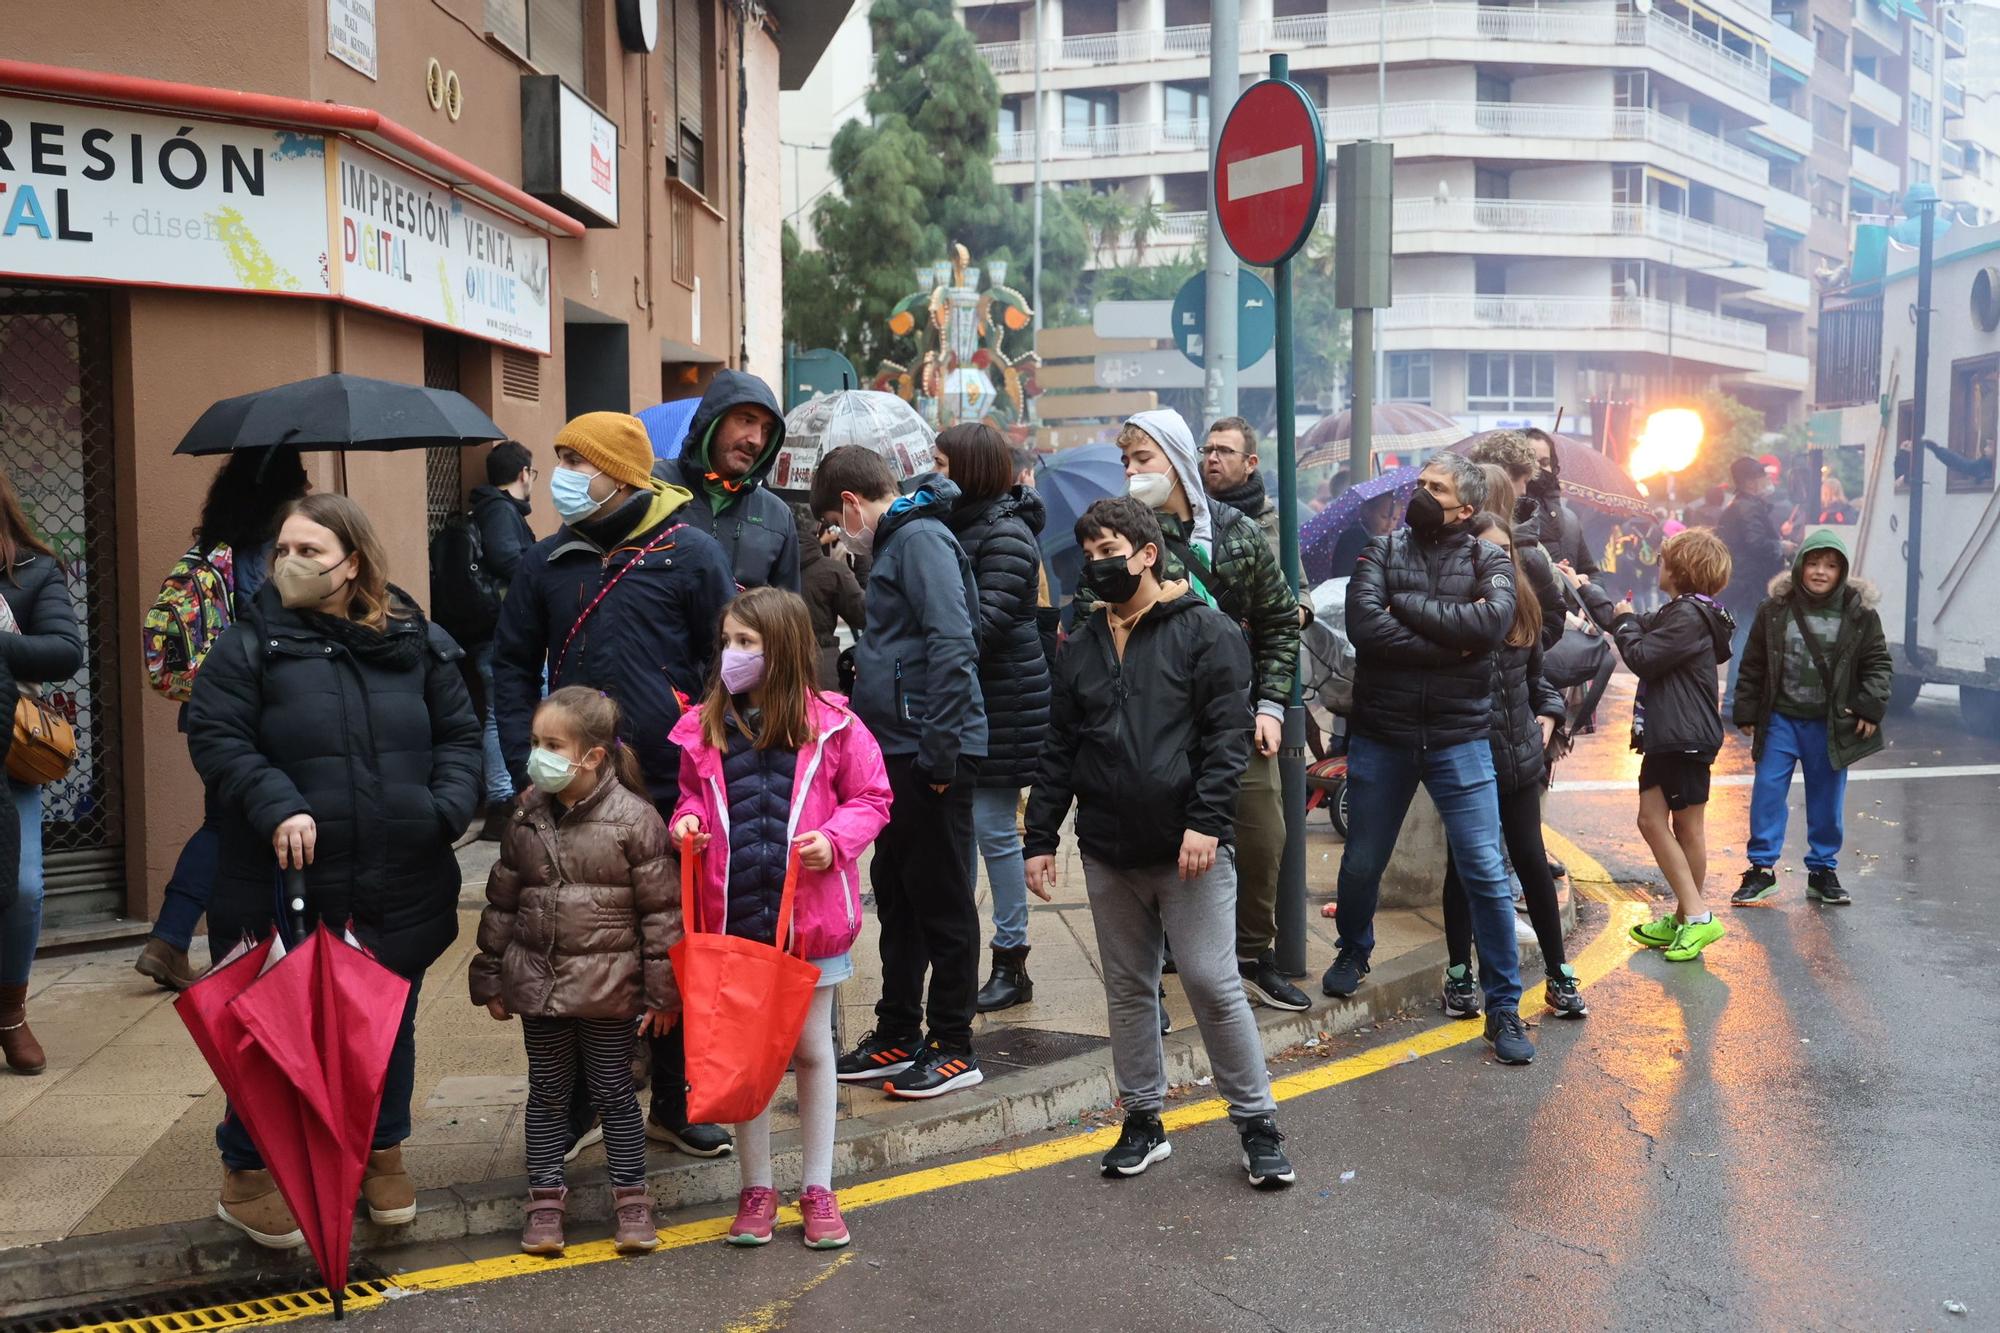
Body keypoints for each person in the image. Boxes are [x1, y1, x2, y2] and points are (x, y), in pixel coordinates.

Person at [188, 492, 482, 1247]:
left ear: (352, 563)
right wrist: (275, 801)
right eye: (283, 547)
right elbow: (218, 738)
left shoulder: (416, 638)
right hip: (282, 878)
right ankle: (247, 1172)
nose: (289, 561)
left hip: (398, 873)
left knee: (386, 1020)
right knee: (274, 1027)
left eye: (309, 550)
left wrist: (442, 808)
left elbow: (459, 732)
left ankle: (382, 1149)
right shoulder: (249, 642)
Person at [1025, 497, 1296, 1189]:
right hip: (1108, 846)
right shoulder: (1082, 641)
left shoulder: (1206, 632)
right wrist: (1040, 835)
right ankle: (1143, 1118)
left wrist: (1206, 823)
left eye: (1109, 548)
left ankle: (1257, 1122)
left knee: (1210, 979)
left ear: (1148, 552)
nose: (1097, 564)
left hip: (1189, 847)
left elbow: (1226, 741)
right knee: (1127, 987)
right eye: (1088, 553)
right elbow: (1059, 745)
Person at [491, 412, 737, 1158]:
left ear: (621, 473)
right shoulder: (544, 562)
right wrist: (522, 760)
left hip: (668, 783)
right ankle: (575, 1106)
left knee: (672, 942)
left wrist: (709, 755)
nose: (562, 471)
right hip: (570, 793)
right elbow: (510, 667)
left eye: (577, 459)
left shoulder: (689, 553)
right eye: (559, 456)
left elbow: (725, 665)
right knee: (572, 944)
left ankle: (675, 1096)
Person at [668, 587, 892, 1249]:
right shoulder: (707, 723)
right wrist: (689, 820)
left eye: (746, 643)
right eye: (727, 642)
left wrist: (838, 838)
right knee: (748, 1060)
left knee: (812, 1049)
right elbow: (691, 793)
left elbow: (873, 795)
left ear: (785, 649)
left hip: (810, 922)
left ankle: (818, 1186)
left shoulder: (837, 725)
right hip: (735, 918)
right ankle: (756, 1187)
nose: (731, 655)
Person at [1321, 454, 1537, 1066]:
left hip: (1459, 737)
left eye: (1435, 488)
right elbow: (1365, 627)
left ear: (1465, 508)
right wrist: (1453, 642)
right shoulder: (1382, 551)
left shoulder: (1488, 558)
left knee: (1486, 874)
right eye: (1420, 484)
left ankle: (1502, 1007)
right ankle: (1353, 948)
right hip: (1382, 735)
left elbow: (1492, 624)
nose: (1420, 493)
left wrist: (1405, 610)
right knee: (1363, 860)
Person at [1105, 410, 1311, 1012]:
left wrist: (1271, 704)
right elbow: (1095, 616)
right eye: (1126, 462)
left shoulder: (1236, 532)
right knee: (1155, 844)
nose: (1132, 472)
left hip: (1235, 718)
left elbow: (1278, 620)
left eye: (1142, 460)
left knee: (1260, 833)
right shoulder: (1121, 535)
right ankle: (1154, 978)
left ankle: (1252, 956)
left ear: (1174, 462)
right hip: (1153, 725)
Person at [471, 687, 677, 1257]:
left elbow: (662, 916)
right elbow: (503, 901)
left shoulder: (636, 820)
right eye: (536, 743)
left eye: (553, 745)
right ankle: (543, 1204)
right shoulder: (527, 816)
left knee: (615, 1092)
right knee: (547, 1095)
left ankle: (632, 1202)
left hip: (611, 991)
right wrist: (490, 972)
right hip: (538, 986)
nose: (539, 755)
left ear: (593, 756)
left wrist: (662, 995)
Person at [809, 447, 989, 1098]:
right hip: (896, 748)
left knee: (941, 897)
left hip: (928, 749)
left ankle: (952, 1043)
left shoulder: (919, 540)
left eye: (836, 522)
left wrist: (940, 752)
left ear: (852, 504)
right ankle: (897, 1029)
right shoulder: (898, 544)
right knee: (900, 890)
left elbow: (953, 643)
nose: (840, 535)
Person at [134, 447, 309, 993]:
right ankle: (173, 937)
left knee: (224, 819)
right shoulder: (266, 556)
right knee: (228, 823)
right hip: (250, 712)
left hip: (204, 711)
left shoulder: (210, 551)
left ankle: (172, 939)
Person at [1438, 512, 1585, 1023]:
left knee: (1529, 859)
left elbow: (1537, 678)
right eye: (1486, 549)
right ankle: (1459, 972)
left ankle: (1559, 973)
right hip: (1467, 759)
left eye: (1505, 550)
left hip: (1520, 755)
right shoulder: (1451, 608)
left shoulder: (1521, 603)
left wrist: (1550, 711)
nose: (1497, 559)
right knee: (1465, 866)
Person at [1567, 528, 1735, 962]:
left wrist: (1623, 621)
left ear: (1681, 569)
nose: (1657, 566)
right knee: (1659, 822)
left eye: (1663, 561)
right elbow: (1630, 623)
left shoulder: (1688, 617)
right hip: (1672, 732)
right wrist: (1585, 587)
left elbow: (1640, 653)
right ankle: (1684, 918)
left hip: (1682, 735)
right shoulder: (1683, 612)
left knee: (1676, 826)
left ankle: (1696, 917)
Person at [934, 424, 1053, 1014]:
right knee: (975, 830)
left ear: (970, 468)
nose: (933, 472)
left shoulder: (1005, 533)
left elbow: (983, 625)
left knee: (994, 829)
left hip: (1004, 702)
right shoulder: (962, 523)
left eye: (941, 462)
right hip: (976, 700)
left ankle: (1012, 959)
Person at [1729, 531, 1891, 908]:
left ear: (1842, 571)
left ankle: (1822, 871)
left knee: (1826, 799)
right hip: (1780, 719)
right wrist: (1747, 709)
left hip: (1829, 723)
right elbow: (1752, 663)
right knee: (1767, 791)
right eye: (1814, 563)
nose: (1820, 572)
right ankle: (1761, 870)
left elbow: (1877, 663)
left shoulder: (1859, 612)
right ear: (1800, 564)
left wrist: (1869, 705)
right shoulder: (1775, 609)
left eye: (1830, 566)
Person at [0, 466, 84, 1076]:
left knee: (23, 887)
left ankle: (10, 1014)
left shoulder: (30, 570)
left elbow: (63, 649)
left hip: (7, 755)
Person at [661, 371, 800, 591]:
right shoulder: (652, 486)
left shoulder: (778, 516)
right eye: (746, 420)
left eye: (766, 430)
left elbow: (787, 615)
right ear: (714, 421)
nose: (756, 440)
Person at [467, 440, 538, 841]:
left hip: (496, 630)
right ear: (523, 474)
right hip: (499, 631)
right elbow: (508, 558)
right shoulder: (499, 511)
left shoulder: (495, 509)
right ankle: (502, 799)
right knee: (502, 712)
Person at [1466, 438, 1565, 649]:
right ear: (1505, 480)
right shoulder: (1451, 545)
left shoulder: (1528, 549)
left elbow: (1549, 618)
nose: (1524, 492)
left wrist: (1520, 652)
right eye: (1525, 481)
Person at [1715, 455, 1787, 712]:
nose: (1766, 482)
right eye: (1761, 477)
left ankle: (1737, 700)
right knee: (1746, 637)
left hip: (1741, 582)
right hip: (1750, 585)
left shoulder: (1741, 505)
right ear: (1750, 481)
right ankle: (1734, 701)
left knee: (1743, 636)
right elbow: (1756, 543)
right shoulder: (1747, 507)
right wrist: (1781, 547)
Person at [795, 509, 865, 691]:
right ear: (819, 528)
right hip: (822, 667)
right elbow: (863, 614)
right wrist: (864, 565)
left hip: (774, 666)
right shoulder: (832, 572)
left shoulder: (767, 566)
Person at [1200, 416, 1281, 559]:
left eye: (1225, 451)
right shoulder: (1190, 516)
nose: (1212, 458)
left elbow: (1297, 580)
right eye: (1208, 450)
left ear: (1250, 464)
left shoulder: (1272, 522)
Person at [1524, 428, 1599, 578]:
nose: (1538, 469)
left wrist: (1584, 585)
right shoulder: (1510, 516)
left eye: (1544, 462)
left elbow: (1591, 573)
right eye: (1532, 462)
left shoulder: (1569, 518)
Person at [1326, 490, 1398, 581]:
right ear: (1367, 512)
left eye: (1395, 519)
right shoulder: (1351, 539)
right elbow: (1344, 573)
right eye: (1384, 516)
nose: (1389, 524)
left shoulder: (1393, 541)